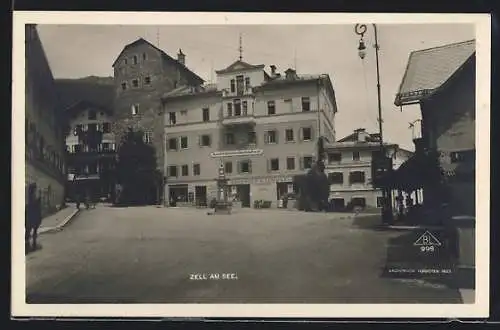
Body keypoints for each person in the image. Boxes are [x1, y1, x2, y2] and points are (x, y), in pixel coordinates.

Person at [25, 183, 42, 252]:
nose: (36, 189)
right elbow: (33, 204)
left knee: (29, 229)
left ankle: (29, 243)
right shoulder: (31, 195)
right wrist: (38, 200)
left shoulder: (30, 194)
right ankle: (30, 243)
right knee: (31, 229)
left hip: (30, 214)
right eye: (35, 188)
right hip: (32, 215)